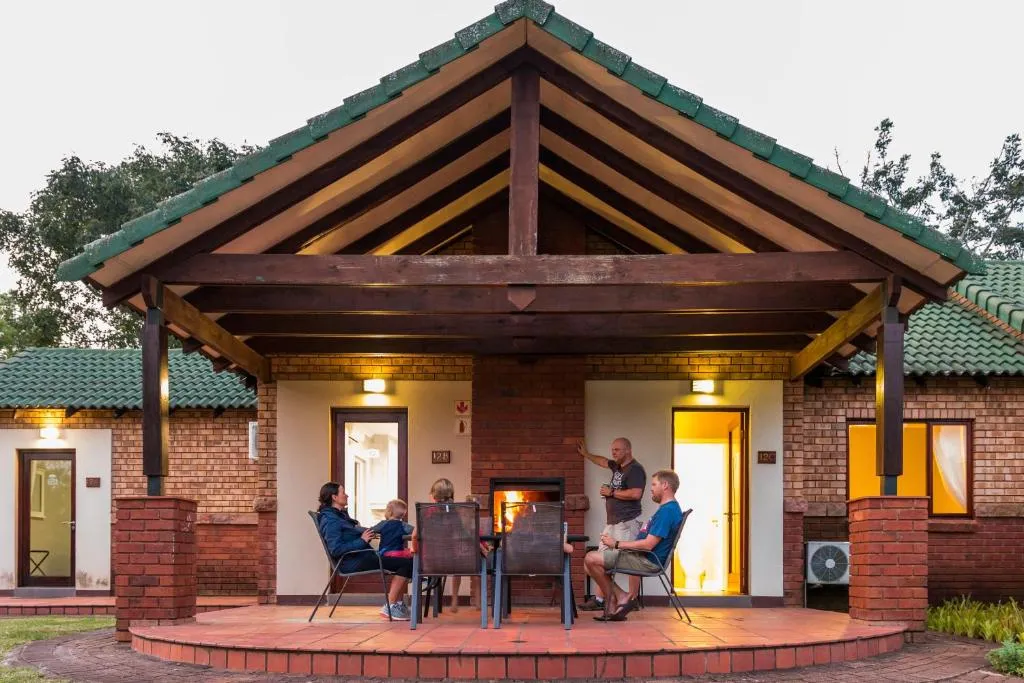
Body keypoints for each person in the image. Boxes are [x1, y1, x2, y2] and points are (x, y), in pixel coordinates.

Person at [582, 469, 684, 621]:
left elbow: (648, 545)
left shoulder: (667, 511)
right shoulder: (667, 509)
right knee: (589, 564)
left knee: (591, 559)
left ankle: (615, 599)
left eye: (654, 484)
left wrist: (616, 543)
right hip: (641, 556)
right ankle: (619, 597)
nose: (651, 489)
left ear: (665, 485)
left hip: (648, 560)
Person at [316, 482, 413, 620]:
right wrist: (362, 540)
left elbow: (352, 533)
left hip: (362, 556)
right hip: (353, 561)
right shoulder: (331, 519)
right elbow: (336, 549)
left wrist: (368, 533)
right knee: (408, 563)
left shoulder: (340, 516)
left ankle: (395, 605)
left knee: (407, 562)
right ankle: (390, 607)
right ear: (334, 497)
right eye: (343, 493)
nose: (347, 495)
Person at [576, 437, 647, 611]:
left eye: (617, 450)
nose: (613, 453)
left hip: (626, 523)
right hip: (612, 524)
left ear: (628, 450)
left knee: (631, 562)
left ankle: (632, 600)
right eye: (612, 449)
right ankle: (602, 599)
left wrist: (612, 492)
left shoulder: (635, 469)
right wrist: (586, 454)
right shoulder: (617, 466)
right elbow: (602, 461)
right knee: (597, 561)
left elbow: (636, 493)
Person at [426, 478, 464, 613]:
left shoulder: (428, 510)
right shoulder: (455, 511)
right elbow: (460, 532)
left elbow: (423, 532)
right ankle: (454, 598)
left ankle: (440, 602)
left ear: (434, 495)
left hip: (431, 557)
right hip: (451, 556)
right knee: (458, 566)